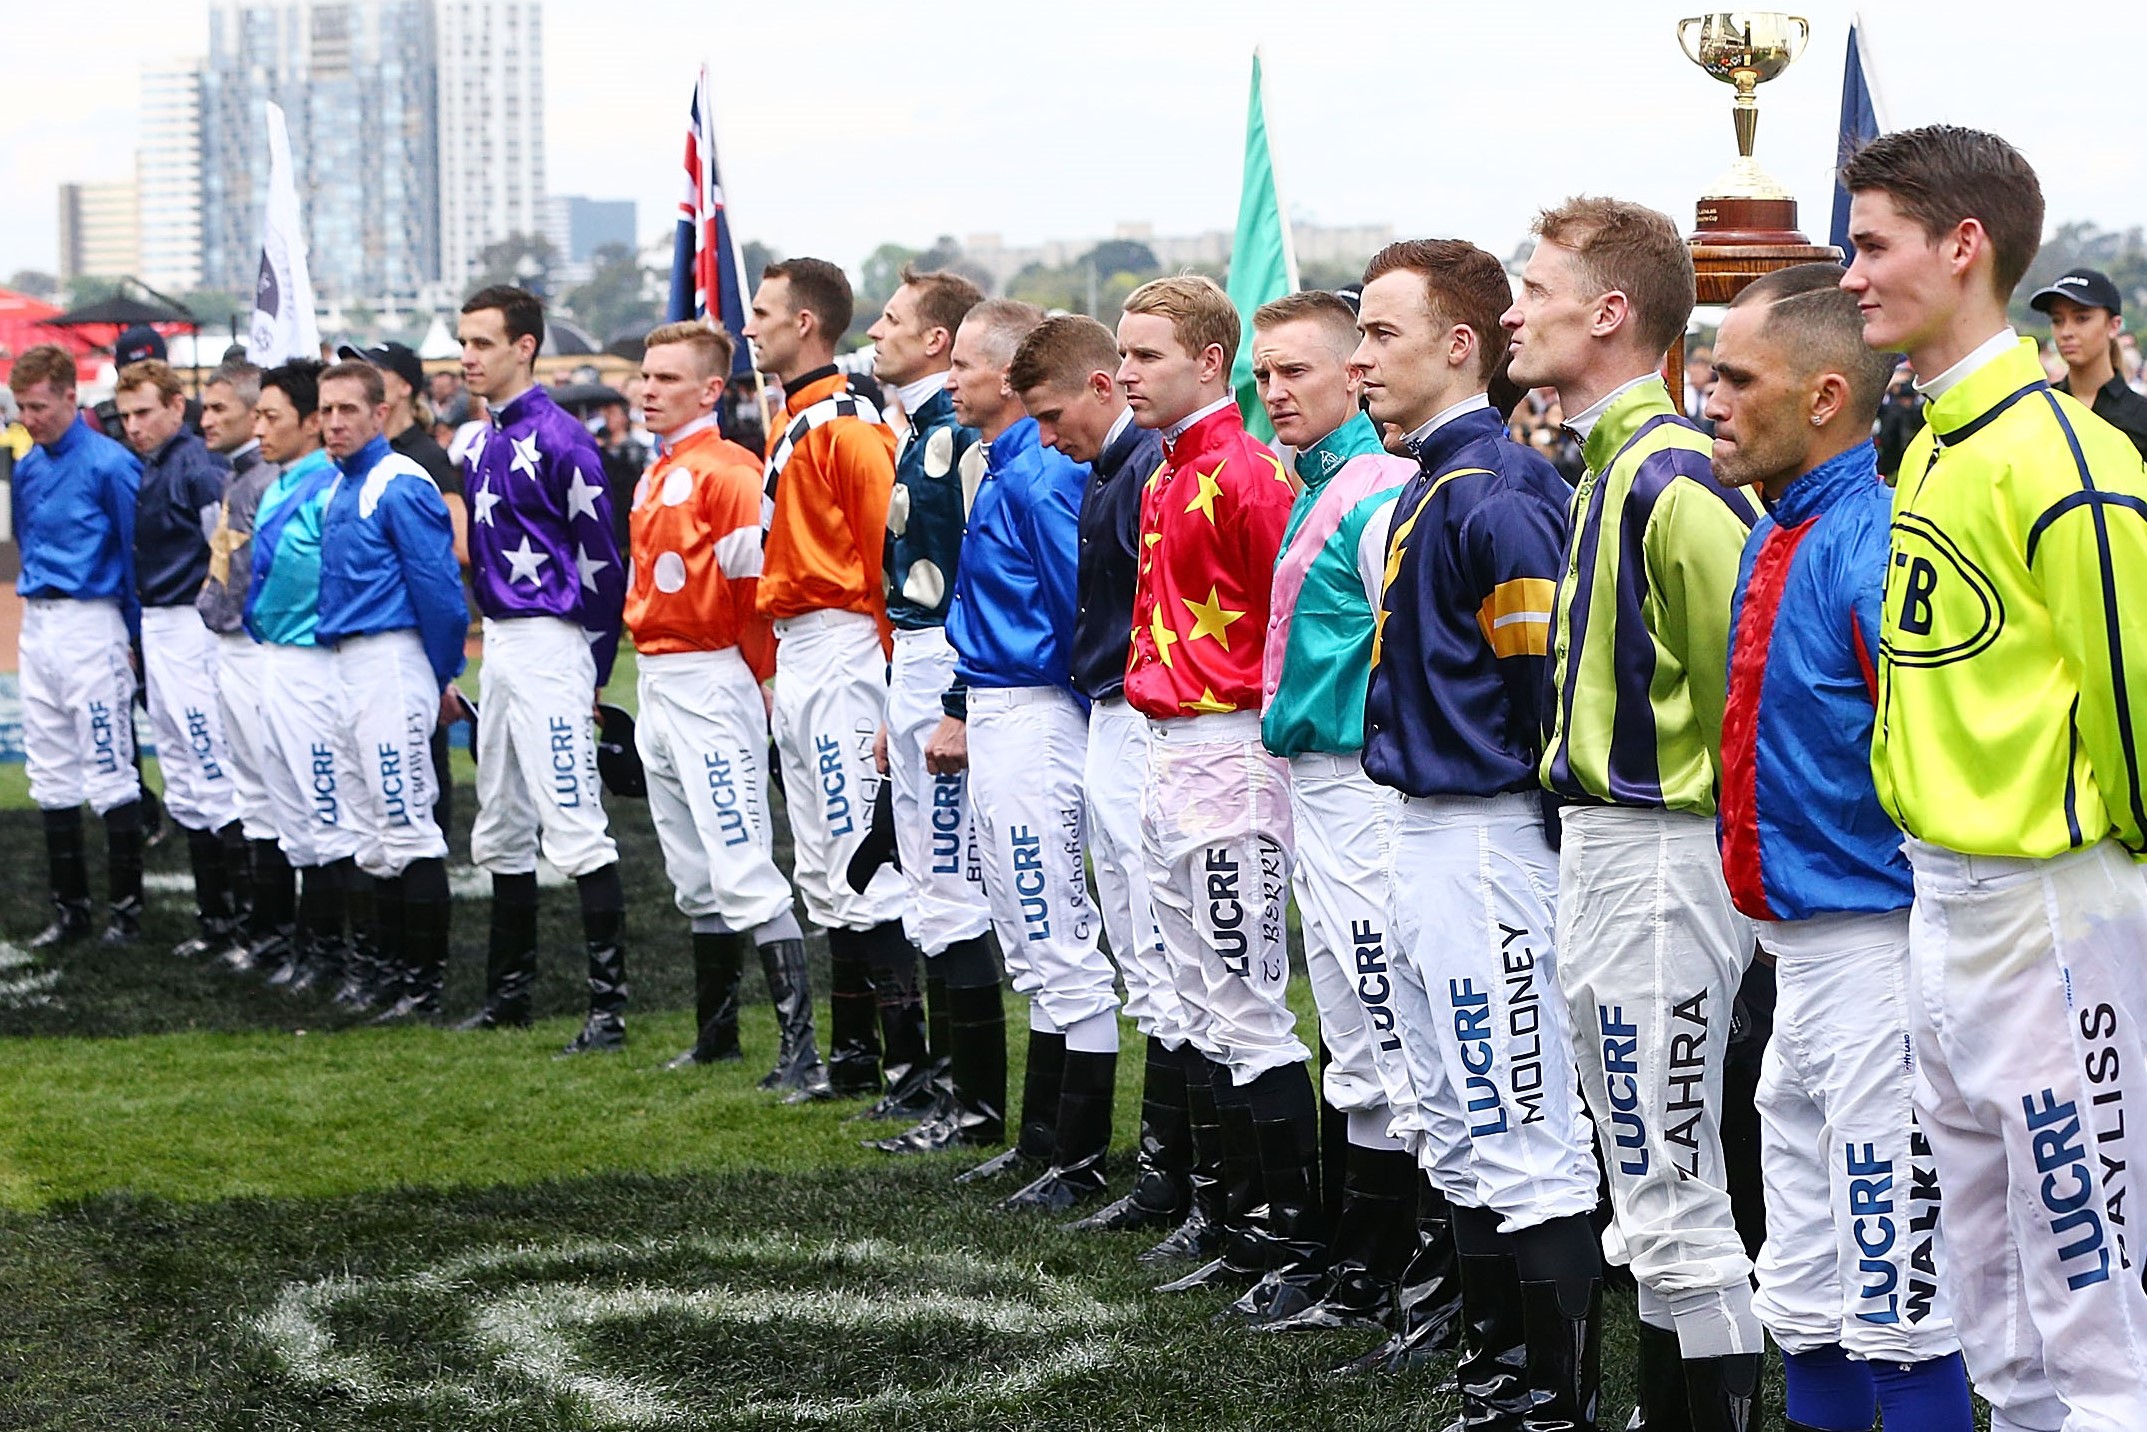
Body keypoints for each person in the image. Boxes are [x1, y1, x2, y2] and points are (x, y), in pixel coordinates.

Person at [1844, 123, 2147, 1432]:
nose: (1848, 275)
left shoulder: (2070, 457)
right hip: (1942, 903)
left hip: (2050, 911)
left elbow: (2133, 715)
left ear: (1960, 246)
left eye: (1870, 244)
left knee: (2091, 1296)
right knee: (1986, 1285)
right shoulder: (1930, 444)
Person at [1503, 196, 1765, 1429]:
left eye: (1535, 288)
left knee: (1669, 1179)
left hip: (1662, 860)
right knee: (1642, 1180)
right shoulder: (1608, 460)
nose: (1511, 309)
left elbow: (1748, 703)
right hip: (1609, 854)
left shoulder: (1670, 477)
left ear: (1609, 314)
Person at [1703, 261, 1976, 1432]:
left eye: (1732, 377)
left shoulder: (1872, 548)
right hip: (1793, 965)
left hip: (1877, 961)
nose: (1707, 398)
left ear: (1821, 396)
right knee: (1804, 1294)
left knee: (1899, 1296)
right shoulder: (1778, 530)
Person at [1349, 240, 1603, 1415]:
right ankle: (1494, 1359)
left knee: (1520, 1107)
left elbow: (1543, 691)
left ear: (1461, 345)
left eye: (1379, 335)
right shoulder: (1427, 481)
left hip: (1491, 835)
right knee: (1453, 1109)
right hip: (1422, 831)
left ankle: (1548, 1392)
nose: (1359, 360)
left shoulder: (1498, 489)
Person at [1224, 289, 1418, 1327]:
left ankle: (1410, 1276)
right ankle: (1366, 1267)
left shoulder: (1377, 481)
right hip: (1318, 785)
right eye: (1263, 373)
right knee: (1352, 1032)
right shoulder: (1323, 481)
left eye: (1292, 369)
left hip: (1364, 786)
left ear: (1353, 373)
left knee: (1389, 1030)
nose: (1272, 390)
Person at [1114, 275, 1310, 1299]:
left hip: (1229, 754)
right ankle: (1219, 1213)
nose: (1124, 372)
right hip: (1163, 749)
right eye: (1121, 353)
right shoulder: (1162, 470)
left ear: (1204, 360)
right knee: (1191, 997)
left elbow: (1285, 633)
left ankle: (1279, 1233)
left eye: (1144, 354)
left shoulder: (1243, 473)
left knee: (1244, 1002)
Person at [1012, 316, 1198, 1247]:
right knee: (1142, 948)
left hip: (1147, 718)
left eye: (1052, 415)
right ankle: (1172, 1176)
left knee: (1169, 954)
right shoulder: (1121, 472)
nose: (1048, 438)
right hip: (1115, 713)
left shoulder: (1150, 473)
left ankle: (1185, 1183)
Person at [933, 298, 1120, 1210]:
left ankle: (1075, 1156)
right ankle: (1042, 1139)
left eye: (967, 363)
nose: (954, 378)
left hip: (1038, 711)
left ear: (1010, 375)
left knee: (1055, 928)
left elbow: (1078, 607)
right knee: (1027, 931)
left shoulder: (1041, 474)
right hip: (1005, 709)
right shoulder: (1011, 465)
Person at [623, 320, 824, 1094]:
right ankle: (718, 1037)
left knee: (742, 862)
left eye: (667, 378)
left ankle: (800, 1052)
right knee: (693, 871)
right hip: (658, 679)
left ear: (711, 389)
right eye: (645, 375)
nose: (648, 389)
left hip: (712, 679)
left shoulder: (730, 471)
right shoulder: (655, 471)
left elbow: (755, 592)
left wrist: (761, 679)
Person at [742, 257, 914, 1101]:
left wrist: (888, 673)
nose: (750, 326)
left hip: (846, 647)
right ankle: (852, 1060)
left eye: (763, 311)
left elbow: (888, 552)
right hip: (802, 649)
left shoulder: (845, 424)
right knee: (819, 861)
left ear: (805, 323)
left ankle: (909, 1064)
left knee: (860, 857)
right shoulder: (795, 419)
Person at [452, 286, 633, 1055]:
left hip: (554, 643)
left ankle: (609, 1011)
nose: (467, 357)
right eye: (463, 342)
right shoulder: (477, 441)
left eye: (481, 343)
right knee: (500, 820)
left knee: (574, 824)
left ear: (524, 347)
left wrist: (590, 668)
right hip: (500, 644)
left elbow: (603, 560)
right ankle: (509, 996)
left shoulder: (562, 439)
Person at [860, 265, 1000, 1143]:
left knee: (951, 888)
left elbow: (977, 579)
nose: (875, 331)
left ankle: (973, 1107)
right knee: (924, 880)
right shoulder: (920, 430)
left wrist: (951, 697)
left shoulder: (956, 435)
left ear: (937, 340)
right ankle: (949, 1093)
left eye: (891, 318)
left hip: (942, 660)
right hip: (912, 662)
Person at [312, 361, 467, 1022]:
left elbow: (440, 593)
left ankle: (421, 986)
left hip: (391, 662)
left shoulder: (399, 482)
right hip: (345, 665)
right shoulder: (335, 488)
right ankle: (383, 972)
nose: (335, 422)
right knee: (365, 827)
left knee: (406, 823)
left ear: (380, 413)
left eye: (348, 409)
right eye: (326, 410)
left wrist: (439, 676)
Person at [7, 344, 146, 948]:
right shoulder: (30, 466)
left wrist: (137, 640)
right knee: (50, 766)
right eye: (21, 408)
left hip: (94, 623)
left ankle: (127, 913)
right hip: (39, 624)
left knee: (111, 765)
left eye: (39, 407)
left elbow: (136, 555)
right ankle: (71, 912)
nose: (29, 420)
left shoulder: (112, 464)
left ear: (71, 397)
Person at [114, 358, 245, 956]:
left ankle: (243, 924)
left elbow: (222, 556)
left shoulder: (195, 466)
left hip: (191, 629)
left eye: (144, 412)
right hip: (161, 627)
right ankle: (215, 922)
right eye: (125, 417)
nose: (134, 426)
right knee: (185, 775)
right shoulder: (156, 465)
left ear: (175, 406)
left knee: (211, 768)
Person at [244, 360, 366, 992]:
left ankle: (342, 959)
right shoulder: (275, 484)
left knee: (328, 810)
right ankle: (311, 950)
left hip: (315, 665)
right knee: (292, 815)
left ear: (312, 423)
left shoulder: (330, 487)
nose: (257, 428)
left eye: (271, 417)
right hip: (273, 661)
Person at [195, 361, 292, 974]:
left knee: (278, 794)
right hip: (231, 643)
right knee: (253, 794)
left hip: (258, 648)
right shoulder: (238, 478)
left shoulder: (266, 481)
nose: (205, 419)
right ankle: (265, 932)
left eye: (219, 409)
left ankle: (285, 934)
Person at [2026, 267, 2147, 458]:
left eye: (2081, 318)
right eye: (2057, 320)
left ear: (2114, 325)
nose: (2066, 332)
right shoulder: (2039, 410)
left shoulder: (2140, 417)